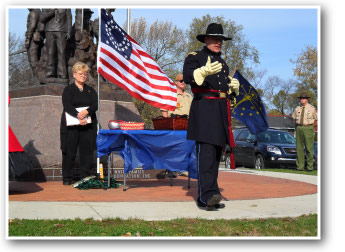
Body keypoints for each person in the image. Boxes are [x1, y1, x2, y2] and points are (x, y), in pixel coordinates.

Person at [183, 23, 240, 211]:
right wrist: (200, 72)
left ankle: (213, 194)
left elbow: (222, 90)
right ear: (206, 39)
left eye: (221, 40)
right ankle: (204, 197)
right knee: (206, 156)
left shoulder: (223, 64)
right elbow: (187, 75)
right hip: (205, 111)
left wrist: (232, 90)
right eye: (215, 39)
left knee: (215, 157)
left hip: (220, 112)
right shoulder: (195, 57)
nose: (218, 43)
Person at [60, 62, 98, 185]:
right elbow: (67, 105)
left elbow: (95, 105)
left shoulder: (90, 90)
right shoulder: (68, 89)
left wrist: (86, 112)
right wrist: (78, 115)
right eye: (81, 74)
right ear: (74, 74)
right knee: (69, 151)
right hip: (71, 126)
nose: (83, 76)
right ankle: (67, 178)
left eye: (85, 74)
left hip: (87, 127)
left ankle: (85, 176)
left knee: (87, 152)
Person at [161, 73, 193, 178]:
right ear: (176, 82)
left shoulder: (189, 96)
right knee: (173, 147)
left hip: (187, 125)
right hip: (174, 125)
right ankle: (171, 169)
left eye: (185, 81)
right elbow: (164, 111)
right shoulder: (171, 95)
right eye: (181, 81)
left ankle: (183, 169)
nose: (183, 82)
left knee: (186, 147)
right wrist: (167, 125)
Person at [40, 8, 72, 79]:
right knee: (50, 53)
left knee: (62, 52)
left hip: (62, 30)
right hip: (49, 31)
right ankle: (50, 73)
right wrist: (52, 12)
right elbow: (42, 18)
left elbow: (69, 18)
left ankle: (62, 73)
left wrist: (69, 32)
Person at [292, 93, 317, 171]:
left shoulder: (312, 108)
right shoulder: (297, 108)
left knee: (309, 148)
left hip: (308, 127)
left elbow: (316, 120)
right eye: (301, 98)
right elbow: (294, 118)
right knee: (299, 148)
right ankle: (300, 167)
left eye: (303, 98)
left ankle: (310, 167)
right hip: (299, 127)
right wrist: (296, 127)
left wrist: (311, 127)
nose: (302, 99)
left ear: (307, 100)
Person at [25, 8, 44, 80]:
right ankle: (39, 77)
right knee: (38, 59)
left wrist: (28, 39)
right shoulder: (40, 12)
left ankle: (37, 79)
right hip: (39, 37)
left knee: (33, 60)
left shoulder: (33, 12)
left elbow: (32, 26)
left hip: (33, 38)